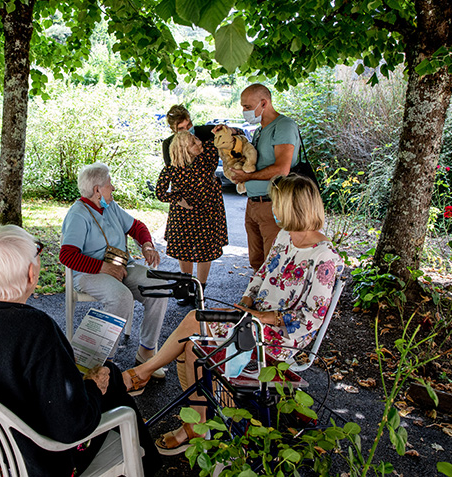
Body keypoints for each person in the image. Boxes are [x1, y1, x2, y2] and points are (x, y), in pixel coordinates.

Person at [123, 174, 343, 455]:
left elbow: (310, 320)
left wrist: (261, 317)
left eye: (277, 204)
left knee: (193, 332)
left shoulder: (324, 256)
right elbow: (261, 274)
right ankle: (198, 419)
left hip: (279, 337)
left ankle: (151, 382)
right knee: (193, 337)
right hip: (252, 319)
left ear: (292, 207)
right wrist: (245, 302)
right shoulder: (286, 236)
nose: (273, 209)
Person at [0, 225, 161, 476]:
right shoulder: (35, 329)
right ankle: (148, 464)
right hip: (40, 459)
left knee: (106, 377)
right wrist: (95, 386)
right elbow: (72, 426)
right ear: (30, 274)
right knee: (111, 381)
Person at [60, 162, 168, 372]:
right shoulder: (77, 214)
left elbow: (137, 226)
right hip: (89, 273)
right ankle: (100, 364)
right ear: (97, 189)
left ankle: (146, 352)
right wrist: (103, 267)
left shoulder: (111, 207)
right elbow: (67, 256)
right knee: (121, 297)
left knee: (159, 287)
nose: (113, 188)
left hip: (122, 267)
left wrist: (146, 244)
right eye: (110, 184)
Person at [223, 84, 301, 272]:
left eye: (247, 107)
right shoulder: (260, 130)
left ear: (264, 103)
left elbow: (282, 168)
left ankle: (271, 301)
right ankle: (259, 299)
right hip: (254, 204)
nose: (244, 112)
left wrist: (247, 177)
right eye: (242, 107)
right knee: (257, 262)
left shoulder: (283, 126)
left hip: (274, 204)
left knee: (274, 263)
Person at [156, 131, 228, 306]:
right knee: (184, 251)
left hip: (208, 213)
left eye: (196, 139)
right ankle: (187, 287)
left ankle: (200, 290)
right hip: (183, 216)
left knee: (206, 252)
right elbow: (159, 193)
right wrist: (177, 199)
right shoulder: (172, 168)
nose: (199, 143)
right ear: (182, 149)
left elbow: (217, 134)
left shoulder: (207, 156)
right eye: (193, 143)